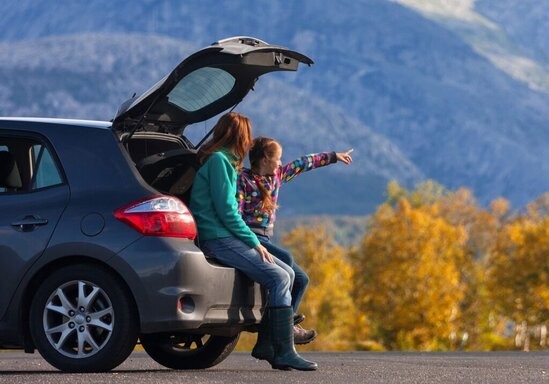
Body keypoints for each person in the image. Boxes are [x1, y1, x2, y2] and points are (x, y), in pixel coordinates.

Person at [189, 112, 317, 371]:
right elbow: (227, 212)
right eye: (247, 136)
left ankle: (269, 345)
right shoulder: (219, 162)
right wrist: (254, 242)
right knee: (280, 277)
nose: (249, 143)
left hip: (224, 235)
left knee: (289, 274)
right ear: (239, 136)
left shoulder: (223, 162)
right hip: (218, 238)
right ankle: (283, 352)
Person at [237, 137, 353, 345]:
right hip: (252, 238)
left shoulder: (277, 177)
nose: (281, 163)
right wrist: (247, 240)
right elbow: (236, 214)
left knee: (302, 280)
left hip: (266, 237)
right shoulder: (243, 180)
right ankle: (282, 327)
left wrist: (334, 157)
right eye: (278, 158)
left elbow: (304, 163)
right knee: (287, 259)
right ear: (265, 159)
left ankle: (286, 320)